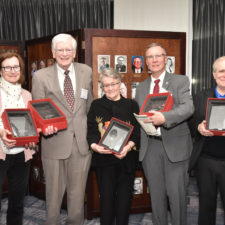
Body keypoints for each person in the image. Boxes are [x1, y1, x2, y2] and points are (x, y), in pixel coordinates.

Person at [32, 33, 93, 225]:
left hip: (81, 143)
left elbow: (90, 106)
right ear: (53, 52)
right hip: (54, 141)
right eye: (60, 50)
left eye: (68, 49)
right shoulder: (41, 76)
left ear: (75, 52)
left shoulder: (86, 71)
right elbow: (38, 109)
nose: (64, 53)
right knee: (53, 194)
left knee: (77, 193)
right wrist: (44, 127)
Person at [135, 43, 194, 225]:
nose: (154, 60)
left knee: (176, 196)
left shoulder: (180, 81)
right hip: (150, 147)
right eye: (150, 57)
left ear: (165, 59)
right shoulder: (141, 87)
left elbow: (188, 108)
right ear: (146, 62)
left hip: (175, 146)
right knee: (156, 195)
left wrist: (164, 118)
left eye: (158, 56)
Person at [87, 68, 140, 225]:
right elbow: (90, 132)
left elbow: (137, 133)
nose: (110, 88)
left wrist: (128, 147)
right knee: (107, 201)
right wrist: (95, 146)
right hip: (104, 161)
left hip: (127, 159)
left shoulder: (132, 105)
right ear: (102, 87)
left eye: (113, 84)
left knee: (124, 201)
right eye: (106, 85)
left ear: (120, 83)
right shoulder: (96, 105)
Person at [0, 52, 36, 225]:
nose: (12, 71)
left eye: (15, 66)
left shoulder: (27, 95)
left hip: (23, 154)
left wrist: (32, 137)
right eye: (7, 67)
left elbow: (31, 123)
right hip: (1, 153)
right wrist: (1, 132)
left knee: (17, 201)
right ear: (1, 70)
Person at [189, 56, 225, 225]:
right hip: (206, 161)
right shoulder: (200, 97)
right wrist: (198, 127)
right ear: (214, 74)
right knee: (206, 207)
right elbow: (190, 122)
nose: (224, 75)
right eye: (221, 71)